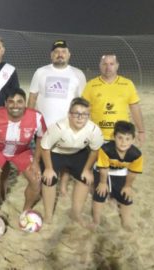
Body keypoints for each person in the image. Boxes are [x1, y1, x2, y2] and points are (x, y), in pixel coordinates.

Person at [28, 40, 87, 196]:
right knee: (42, 155)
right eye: (56, 52)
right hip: (43, 125)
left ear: (69, 54)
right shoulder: (40, 72)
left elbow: (82, 101)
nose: (59, 54)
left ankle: (62, 186)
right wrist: (29, 118)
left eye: (63, 51)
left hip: (68, 125)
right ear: (51, 55)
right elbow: (33, 96)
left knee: (67, 154)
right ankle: (43, 182)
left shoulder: (78, 74)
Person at [40, 97, 104, 225]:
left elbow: (94, 150)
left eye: (85, 114)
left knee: (86, 178)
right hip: (56, 153)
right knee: (49, 178)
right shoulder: (58, 127)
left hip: (77, 153)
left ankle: (76, 213)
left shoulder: (94, 130)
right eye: (76, 114)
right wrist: (48, 168)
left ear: (88, 116)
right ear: (69, 115)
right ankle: (48, 215)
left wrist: (87, 170)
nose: (80, 118)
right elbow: (45, 147)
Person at [0, 88, 47, 215]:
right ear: (5, 104)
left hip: (22, 152)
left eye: (19, 102)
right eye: (11, 102)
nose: (15, 105)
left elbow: (41, 138)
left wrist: (36, 161)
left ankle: (26, 209)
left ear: (25, 103)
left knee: (36, 181)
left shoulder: (36, 117)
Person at [90, 121, 143, 231]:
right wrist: (103, 183)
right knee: (100, 193)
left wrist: (128, 186)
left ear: (133, 139)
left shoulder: (136, 154)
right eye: (120, 138)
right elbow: (103, 169)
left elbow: (132, 173)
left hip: (120, 171)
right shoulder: (106, 149)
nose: (123, 142)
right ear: (114, 137)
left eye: (128, 139)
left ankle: (126, 220)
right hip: (103, 170)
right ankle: (96, 220)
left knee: (126, 194)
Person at [82, 54, 145, 145]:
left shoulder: (127, 84)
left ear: (117, 66)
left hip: (121, 137)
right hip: (98, 137)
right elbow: (84, 110)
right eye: (105, 64)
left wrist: (141, 131)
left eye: (111, 64)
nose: (108, 67)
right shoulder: (90, 85)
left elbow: (135, 108)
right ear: (100, 66)